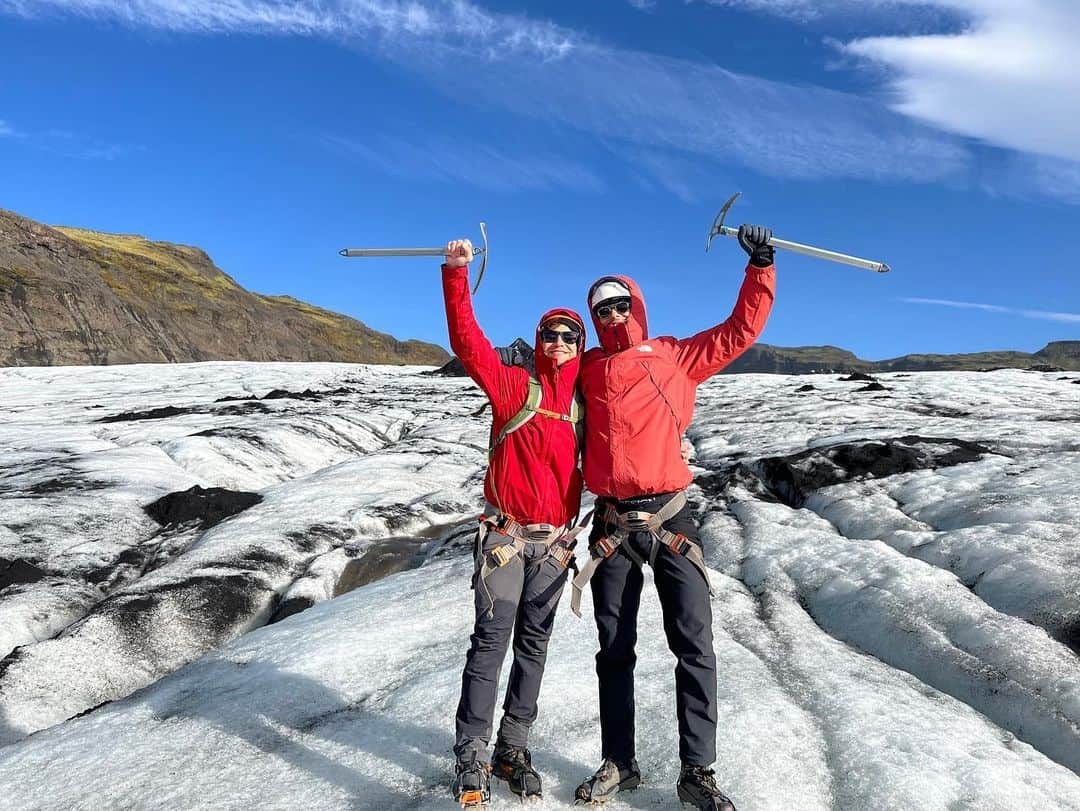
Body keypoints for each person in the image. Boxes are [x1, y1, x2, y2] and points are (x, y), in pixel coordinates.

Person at [571, 225, 777, 811]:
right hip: (611, 527)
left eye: (617, 302)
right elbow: (545, 379)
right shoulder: (584, 368)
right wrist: (523, 357)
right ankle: (619, 763)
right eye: (599, 307)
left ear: (634, 304)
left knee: (694, 646)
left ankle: (698, 773)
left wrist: (760, 265)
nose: (610, 313)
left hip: (671, 524)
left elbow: (741, 329)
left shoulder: (675, 356)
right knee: (614, 650)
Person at [442, 238, 587, 809]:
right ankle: (472, 754)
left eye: (567, 335)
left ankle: (512, 748)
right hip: (504, 539)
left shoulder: (584, 400)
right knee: (489, 645)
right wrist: (457, 273)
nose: (555, 342)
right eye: (548, 333)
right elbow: (467, 341)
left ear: (580, 345)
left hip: (552, 547)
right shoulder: (512, 385)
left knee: (534, 647)